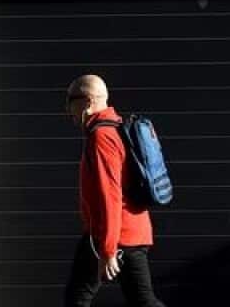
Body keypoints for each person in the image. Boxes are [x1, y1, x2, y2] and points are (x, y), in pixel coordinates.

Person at [64, 74, 166, 307]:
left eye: (70, 99)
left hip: (114, 235)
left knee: (77, 298)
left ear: (88, 102)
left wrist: (108, 249)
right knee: (142, 300)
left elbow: (109, 195)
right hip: (131, 231)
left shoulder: (102, 136)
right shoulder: (115, 127)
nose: (67, 108)